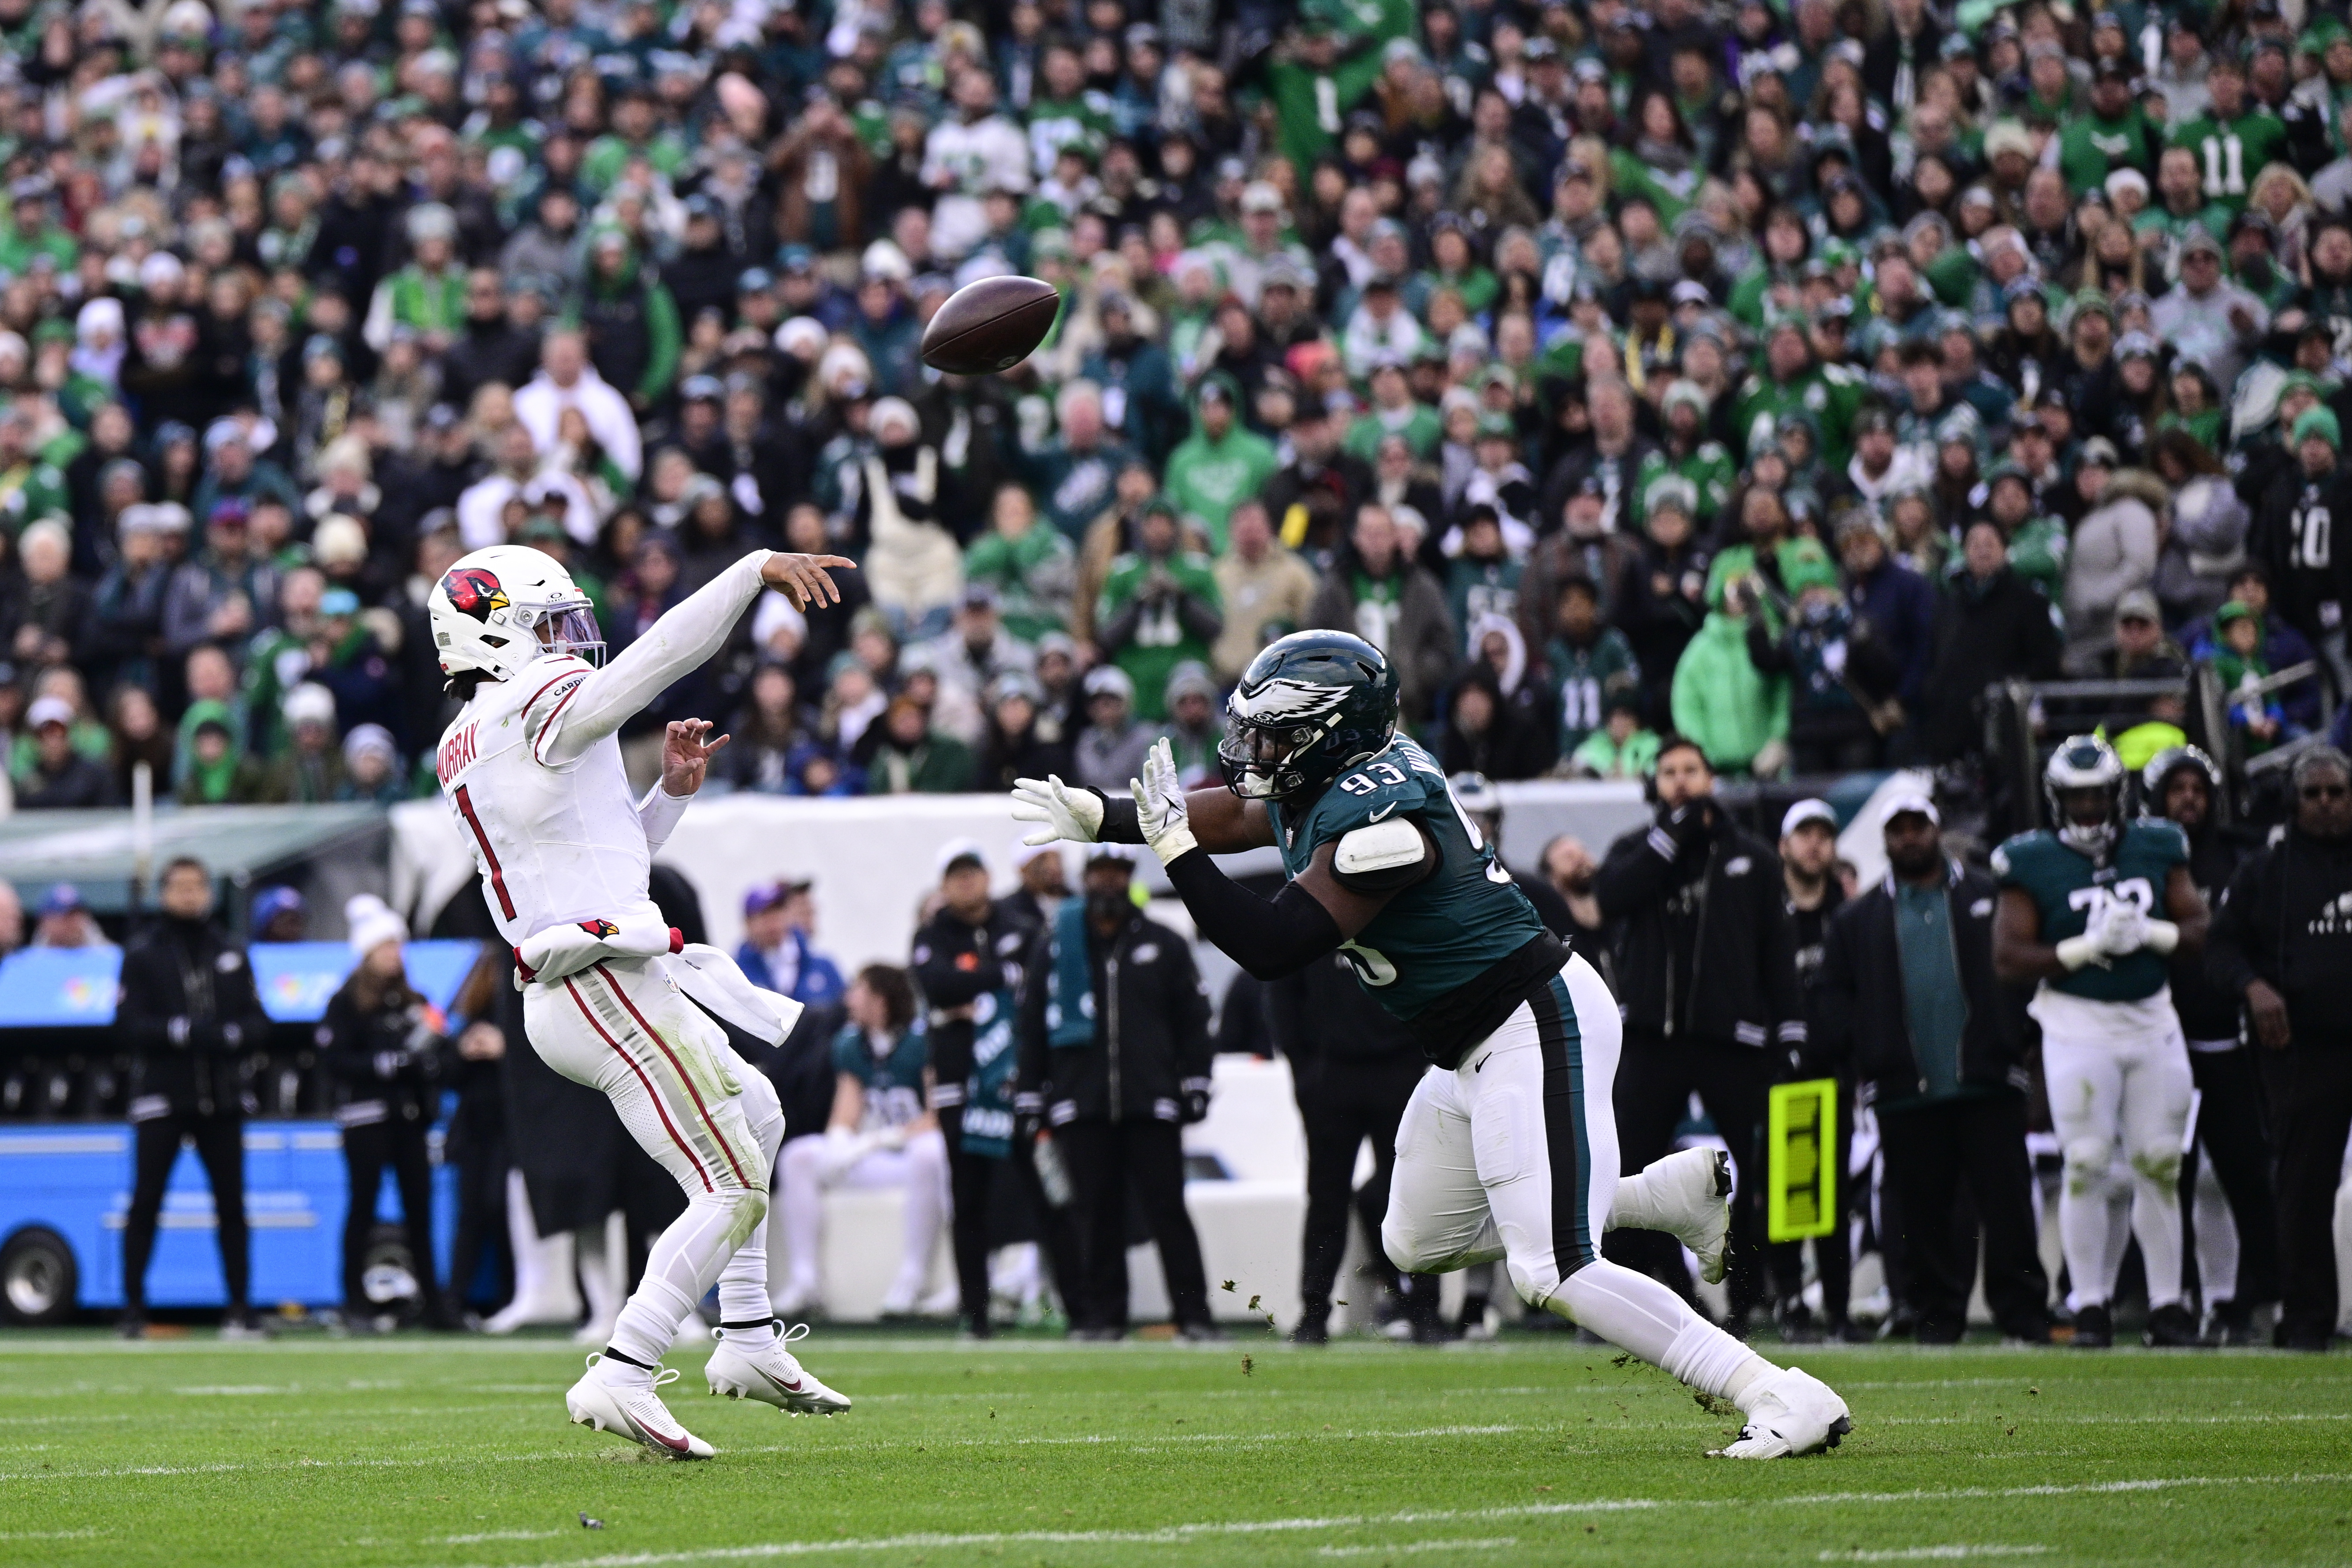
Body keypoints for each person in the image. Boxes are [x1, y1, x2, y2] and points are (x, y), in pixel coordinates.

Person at [1012, 633, 1850, 1457]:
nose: (1254, 750)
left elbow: (1272, 945)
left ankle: (1775, 1389)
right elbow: (1234, 811)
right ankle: (1657, 1197)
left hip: (1531, 1017)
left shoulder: (1386, 826)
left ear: (1329, 736)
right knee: (1415, 1241)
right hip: (1469, 1046)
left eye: (1274, 733)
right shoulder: (1332, 778)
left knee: (1552, 1266)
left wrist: (1173, 852)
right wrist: (1105, 816)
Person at [428, 539, 854, 1457]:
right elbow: (660, 654)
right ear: (490, 634)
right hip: (597, 980)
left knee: (761, 1108)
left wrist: (668, 795)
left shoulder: (478, 732)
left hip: (594, 968)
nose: (564, 642)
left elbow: (596, 859)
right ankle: (624, 1364)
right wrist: (751, 572)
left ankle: (744, 1335)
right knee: (730, 1180)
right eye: (544, 624)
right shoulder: (521, 705)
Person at [1992, 734, 2209, 1349]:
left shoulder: (2156, 843)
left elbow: (2198, 929)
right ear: (2055, 799)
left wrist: (2150, 933)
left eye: (2097, 796)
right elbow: (2007, 957)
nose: (2087, 809)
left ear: (2117, 795)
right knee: (2085, 1163)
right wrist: (2084, 949)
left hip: (2150, 1020)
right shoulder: (2027, 859)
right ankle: (2089, 1304)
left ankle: (2167, 1306)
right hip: (2075, 1024)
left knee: (2159, 1162)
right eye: (2075, 798)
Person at [1814, 795, 2053, 1344]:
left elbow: (2024, 972)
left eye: (1917, 825)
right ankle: (1935, 1319)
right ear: (1884, 839)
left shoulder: (1989, 894)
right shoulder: (1858, 917)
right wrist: (1871, 1052)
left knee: (2008, 1205)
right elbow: (1833, 998)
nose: (1908, 837)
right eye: (1896, 829)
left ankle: (2023, 1315)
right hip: (1904, 1089)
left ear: (1937, 827)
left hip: (1988, 1079)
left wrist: (2016, 1038)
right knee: (1921, 1215)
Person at [1596, 736, 1810, 1333]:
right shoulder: (1636, 848)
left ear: (1711, 779)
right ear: (1654, 783)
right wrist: (1668, 840)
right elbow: (1610, 895)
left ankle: (1754, 1299)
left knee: (1759, 1169)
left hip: (1729, 1040)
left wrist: (1790, 1028)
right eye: (1668, 772)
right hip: (1651, 1039)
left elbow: (1777, 952)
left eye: (1691, 770)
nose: (1680, 782)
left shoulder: (1754, 859)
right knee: (1625, 1172)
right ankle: (1646, 1299)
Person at [2206, 745, 2352, 1352]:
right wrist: (2253, 986)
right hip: (2300, 1051)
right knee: (2302, 1188)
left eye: (2334, 792)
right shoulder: (2264, 870)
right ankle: (2305, 1321)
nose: (2323, 803)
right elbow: (2217, 950)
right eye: (2312, 793)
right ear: (2293, 801)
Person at [2143, 745, 2277, 1342]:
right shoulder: (2139, 857)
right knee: (2165, 1174)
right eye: (2176, 789)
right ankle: (2171, 1300)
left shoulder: (2239, 858)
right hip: (2156, 1038)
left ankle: (2254, 1297)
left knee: (2244, 1172)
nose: (2188, 799)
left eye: (2197, 789)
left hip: (2225, 1039)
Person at [116, 856, 273, 1340]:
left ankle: (240, 1309)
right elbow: (125, 1027)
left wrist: (227, 1037)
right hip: (163, 1097)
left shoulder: (229, 949)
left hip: (220, 1099)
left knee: (232, 1206)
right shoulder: (143, 953)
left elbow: (259, 1022)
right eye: (179, 886)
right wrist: (181, 1032)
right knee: (146, 1203)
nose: (189, 895)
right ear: (164, 892)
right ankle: (133, 1309)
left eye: (197, 885)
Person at [910, 840, 1048, 1336]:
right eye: (956, 875)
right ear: (943, 885)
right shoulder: (933, 933)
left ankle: (1075, 1302)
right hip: (960, 1084)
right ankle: (977, 1310)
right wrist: (1003, 978)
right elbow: (937, 985)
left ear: (988, 877)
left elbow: (1038, 980)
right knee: (968, 1197)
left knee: (1042, 1188)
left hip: (1018, 1081)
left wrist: (982, 986)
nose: (966, 882)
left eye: (973, 872)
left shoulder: (1019, 925)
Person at [773, 965, 954, 1319]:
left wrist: (886, 1138)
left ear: (881, 1000)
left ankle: (913, 1275)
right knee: (797, 1157)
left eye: (858, 990)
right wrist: (843, 1141)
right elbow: (846, 1111)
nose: (848, 999)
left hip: (913, 1158)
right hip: (880, 1156)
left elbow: (938, 1116)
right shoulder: (852, 1043)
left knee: (930, 1151)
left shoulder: (922, 1042)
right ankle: (805, 1278)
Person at [322, 895, 458, 1332]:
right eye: (385, 947)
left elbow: (432, 1058)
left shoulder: (416, 1002)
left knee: (420, 1209)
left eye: (397, 947)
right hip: (366, 1120)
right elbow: (334, 1058)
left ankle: (434, 1301)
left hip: (409, 1119)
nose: (393, 955)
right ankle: (354, 1300)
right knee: (362, 1205)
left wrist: (430, 1058)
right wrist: (386, 1063)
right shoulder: (346, 1002)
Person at [1776, 798, 1846, 1342]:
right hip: (1777, 1071)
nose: (1815, 843)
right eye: (1805, 833)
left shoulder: (1848, 916)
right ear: (1785, 845)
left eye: (1824, 833)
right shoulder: (1766, 914)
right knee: (1780, 1190)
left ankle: (1839, 1307)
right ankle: (1787, 1299)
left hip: (1834, 1069)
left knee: (1834, 1195)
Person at [735, 881, 847, 1010]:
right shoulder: (737, 974)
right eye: (765, 915)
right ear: (748, 924)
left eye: (778, 912)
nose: (773, 922)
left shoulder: (823, 968)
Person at [30, 883, 115, 950]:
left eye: (76, 914)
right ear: (45, 922)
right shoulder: (29, 961)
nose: (74, 922)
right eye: (65, 917)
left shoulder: (112, 956)